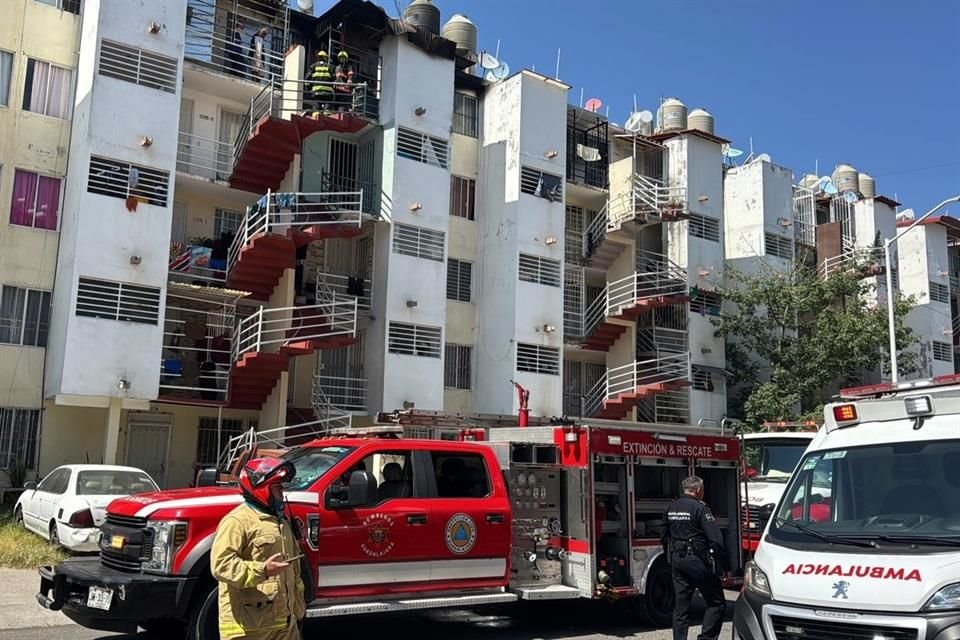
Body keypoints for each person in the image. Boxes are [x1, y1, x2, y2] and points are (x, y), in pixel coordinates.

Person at [211, 457, 306, 639]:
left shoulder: (282, 522)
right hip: (250, 628)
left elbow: (294, 573)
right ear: (262, 489)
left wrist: (297, 610)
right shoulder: (236, 522)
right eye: (277, 488)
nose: (282, 493)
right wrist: (263, 571)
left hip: (286, 625)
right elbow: (221, 566)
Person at [660, 475, 727, 640]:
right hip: (697, 560)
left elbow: (663, 536)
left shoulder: (671, 507)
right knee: (716, 602)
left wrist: (671, 557)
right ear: (698, 490)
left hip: (677, 560)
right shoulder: (701, 508)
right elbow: (716, 539)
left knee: (681, 607)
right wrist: (720, 564)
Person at [308, 50, 333, 117]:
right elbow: (333, 78)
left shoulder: (313, 66)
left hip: (316, 90)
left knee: (316, 103)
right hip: (327, 91)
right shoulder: (329, 67)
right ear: (325, 58)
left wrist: (308, 87)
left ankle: (316, 113)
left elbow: (308, 77)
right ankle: (327, 112)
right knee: (327, 102)